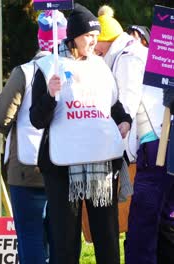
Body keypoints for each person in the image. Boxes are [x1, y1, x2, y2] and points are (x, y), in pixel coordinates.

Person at [29, 4, 132, 263]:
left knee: (107, 237)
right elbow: (37, 119)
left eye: (96, 36)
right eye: (88, 35)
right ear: (73, 35)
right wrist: (51, 95)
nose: (94, 40)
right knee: (65, 240)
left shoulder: (100, 66)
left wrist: (125, 121)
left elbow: (113, 105)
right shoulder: (47, 66)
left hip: (101, 163)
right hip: (62, 167)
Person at [94, 5, 173, 264]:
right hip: (162, 142)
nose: (95, 51)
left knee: (143, 225)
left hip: (154, 146)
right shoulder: (138, 52)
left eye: (98, 45)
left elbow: (126, 102)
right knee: (163, 222)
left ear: (105, 42)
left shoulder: (128, 58)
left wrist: (115, 135)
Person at [0, 10, 67, 264]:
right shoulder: (77, 71)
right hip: (67, 166)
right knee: (61, 240)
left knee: (31, 239)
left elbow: (1, 120)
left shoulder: (24, 72)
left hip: (27, 167)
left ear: (38, 37)